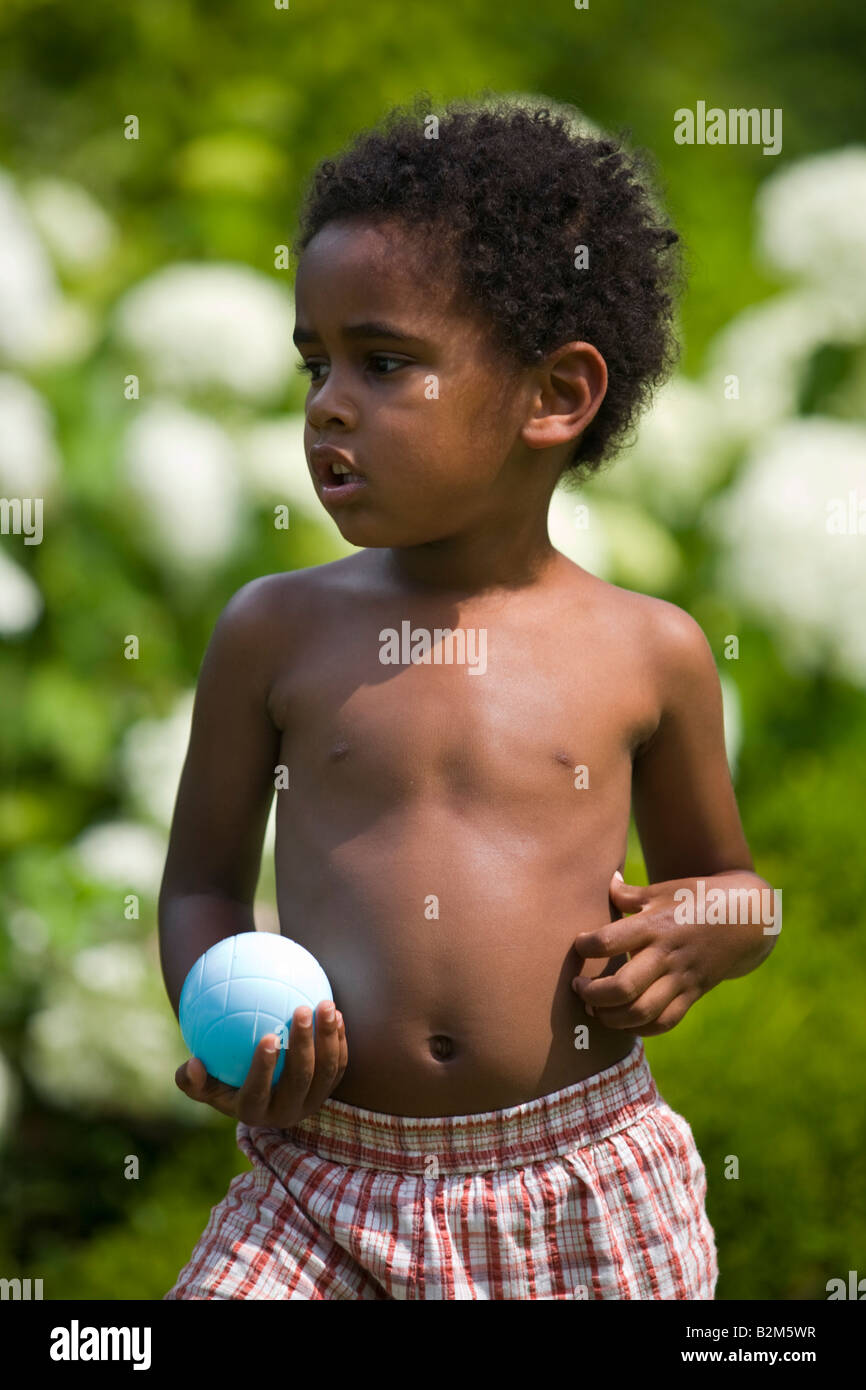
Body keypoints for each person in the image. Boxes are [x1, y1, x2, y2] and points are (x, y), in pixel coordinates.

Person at [159, 94, 777, 1300]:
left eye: (384, 363)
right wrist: (214, 1011)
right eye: (316, 363)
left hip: (581, 1179)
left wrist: (706, 932)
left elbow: (736, 884)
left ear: (554, 396)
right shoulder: (272, 632)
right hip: (319, 1179)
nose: (327, 405)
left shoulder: (645, 650)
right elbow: (199, 885)